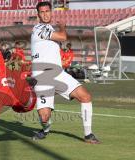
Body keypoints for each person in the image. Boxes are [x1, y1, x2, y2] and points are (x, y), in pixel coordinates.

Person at [31, 1, 99, 144]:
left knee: (85, 96)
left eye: (47, 11)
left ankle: (88, 135)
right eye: (42, 12)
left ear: (51, 12)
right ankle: (45, 130)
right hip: (43, 76)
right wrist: (62, 26)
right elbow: (63, 37)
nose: (45, 14)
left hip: (58, 73)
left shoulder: (49, 28)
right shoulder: (39, 29)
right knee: (44, 117)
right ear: (38, 15)